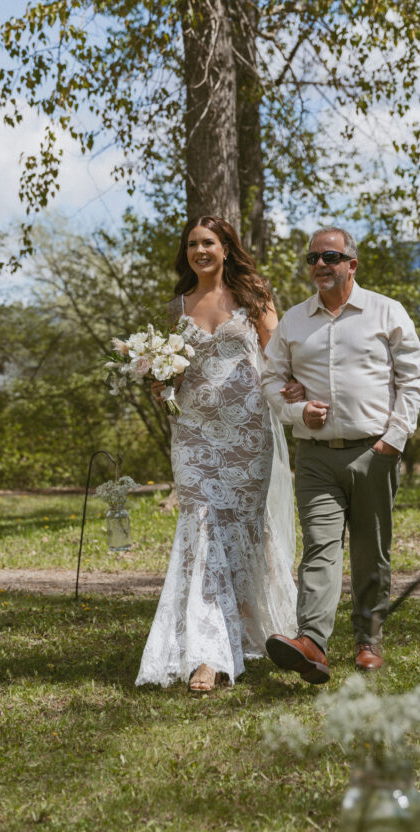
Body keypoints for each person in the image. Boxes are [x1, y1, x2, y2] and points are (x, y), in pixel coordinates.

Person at [135, 216, 299, 693]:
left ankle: (248, 630)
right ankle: (208, 655)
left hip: (247, 435)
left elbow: (281, 357)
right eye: (192, 244)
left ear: (226, 247)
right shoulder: (178, 306)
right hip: (194, 435)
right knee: (201, 528)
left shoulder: (254, 297)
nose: (199, 251)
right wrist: (161, 381)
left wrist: (297, 398)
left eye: (208, 242)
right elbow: (172, 374)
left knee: (241, 528)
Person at [261, 226, 420, 684]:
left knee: (372, 551)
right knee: (320, 548)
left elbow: (412, 379)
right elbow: (269, 379)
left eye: (329, 257)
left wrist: (392, 440)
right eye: (312, 258)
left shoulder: (386, 312)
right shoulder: (294, 321)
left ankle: (368, 639)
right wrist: (295, 409)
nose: (319, 265)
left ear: (351, 264)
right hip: (314, 459)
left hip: (373, 451)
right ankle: (311, 642)